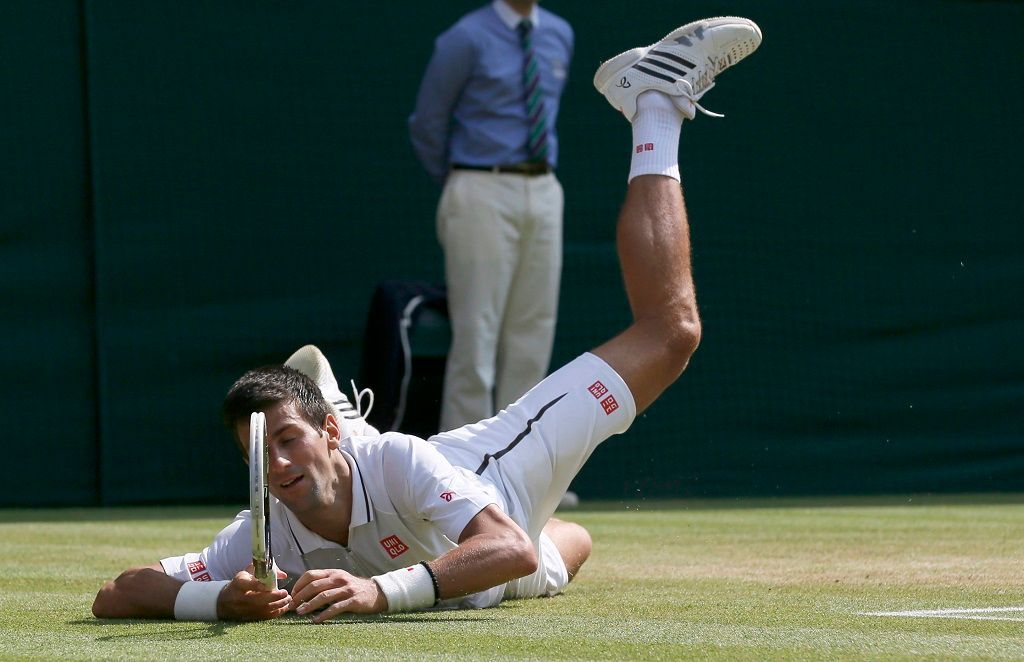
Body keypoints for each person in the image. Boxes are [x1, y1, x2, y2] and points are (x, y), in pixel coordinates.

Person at [92, 17, 762, 622]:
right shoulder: (264, 527)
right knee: (570, 547)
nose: (277, 463)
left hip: (495, 478)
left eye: (289, 439)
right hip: (482, 567)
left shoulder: (399, 461)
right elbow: (117, 592)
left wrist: (379, 591)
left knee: (672, 336)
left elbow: (504, 548)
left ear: (323, 437)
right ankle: (337, 420)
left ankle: (652, 103)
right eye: (259, 455)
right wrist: (215, 598)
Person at [408, 0, 574, 432]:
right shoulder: (465, 37)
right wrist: (462, 181)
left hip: (544, 187)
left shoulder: (559, 34)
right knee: (476, 334)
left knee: (534, 332)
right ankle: (462, 474)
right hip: (479, 185)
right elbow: (427, 121)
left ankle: (524, 470)